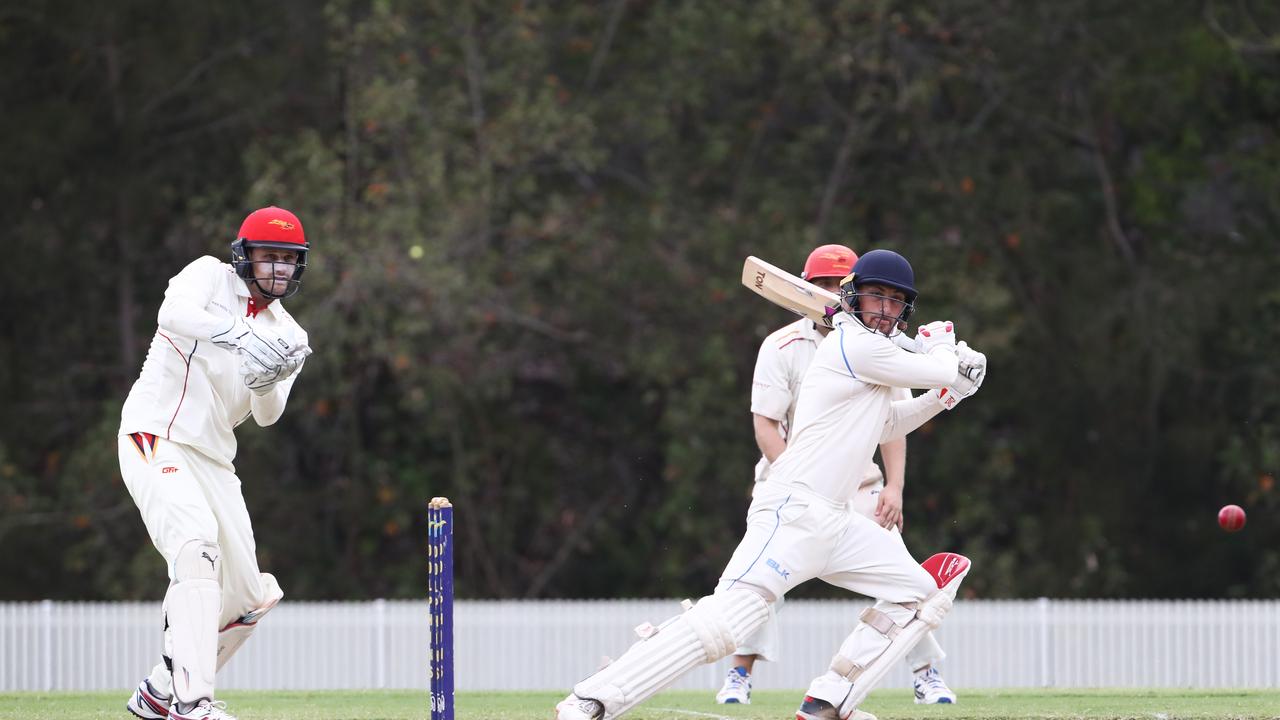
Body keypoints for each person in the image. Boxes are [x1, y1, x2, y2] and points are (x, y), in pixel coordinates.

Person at [555, 249, 985, 720]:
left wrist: (946, 397)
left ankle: (830, 698)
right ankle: (594, 699)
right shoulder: (854, 346)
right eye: (875, 296)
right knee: (732, 618)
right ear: (853, 297)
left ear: (904, 308)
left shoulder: (874, 355)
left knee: (920, 592)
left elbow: (886, 424)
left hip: (838, 523)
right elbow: (940, 367)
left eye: (893, 300)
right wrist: (942, 347)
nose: (883, 308)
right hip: (793, 511)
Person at [715, 244, 957, 706]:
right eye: (820, 284)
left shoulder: (882, 344)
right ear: (808, 287)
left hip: (859, 484)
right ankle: (739, 674)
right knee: (755, 586)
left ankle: (925, 673)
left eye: (835, 284)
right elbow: (766, 422)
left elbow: (892, 421)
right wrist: (800, 481)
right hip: (789, 483)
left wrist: (895, 485)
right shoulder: (782, 346)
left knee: (908, 581)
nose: (826, 293)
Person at [119, 207, 313, 720]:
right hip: (154, 433)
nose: (278, 269)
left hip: (214, 460)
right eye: (269, 256)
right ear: (244, 256)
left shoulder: (291, 335)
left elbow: (268, 417)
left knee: (248, 596)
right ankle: (191, 703)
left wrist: (266, 378)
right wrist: (241, 337)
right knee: (196, 548)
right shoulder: (207, 275)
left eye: (289, 260)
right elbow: (172, 317)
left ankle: (159, 690)